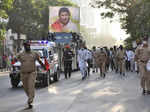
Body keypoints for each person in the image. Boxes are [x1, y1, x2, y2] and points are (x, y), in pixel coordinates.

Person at [16, 41, 46, 109]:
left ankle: (30, 100)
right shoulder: (21, 54)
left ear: (30, 46)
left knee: (31, 86)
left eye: (28, 45)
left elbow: (39, 60)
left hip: (32, 73)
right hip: (23, 74)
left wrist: (43, 66)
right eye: (26, 46)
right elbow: (15, 59)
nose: (27, 47)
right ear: (24, 47)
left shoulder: (34, 53)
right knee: (26, 88)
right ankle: (30, 97)